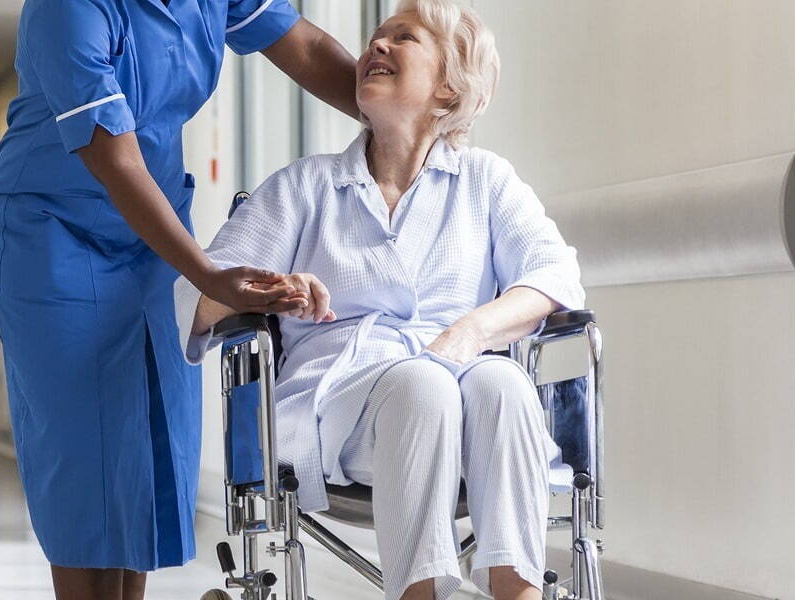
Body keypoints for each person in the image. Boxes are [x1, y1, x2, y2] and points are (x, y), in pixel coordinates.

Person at [177, 1, 584, 598]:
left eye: (405, 37)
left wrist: (469, 333)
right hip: (339, 403)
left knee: (503, 383)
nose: (377, 47)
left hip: (465, 387)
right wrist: (266, 288)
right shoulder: (304, 187)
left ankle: (516, 589)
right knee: (426, 386)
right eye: (376, 38)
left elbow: (555, 277)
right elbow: (196, 294)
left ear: (449, 85)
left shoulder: (486, 182)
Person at [0, 1, 365, 598]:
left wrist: (401, 119)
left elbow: (307, 49)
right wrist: (208, 274)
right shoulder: (69, 8)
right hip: (51, 227)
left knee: (147, 429)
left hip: (155, 227)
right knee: (80, 444)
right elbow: (112, 155)